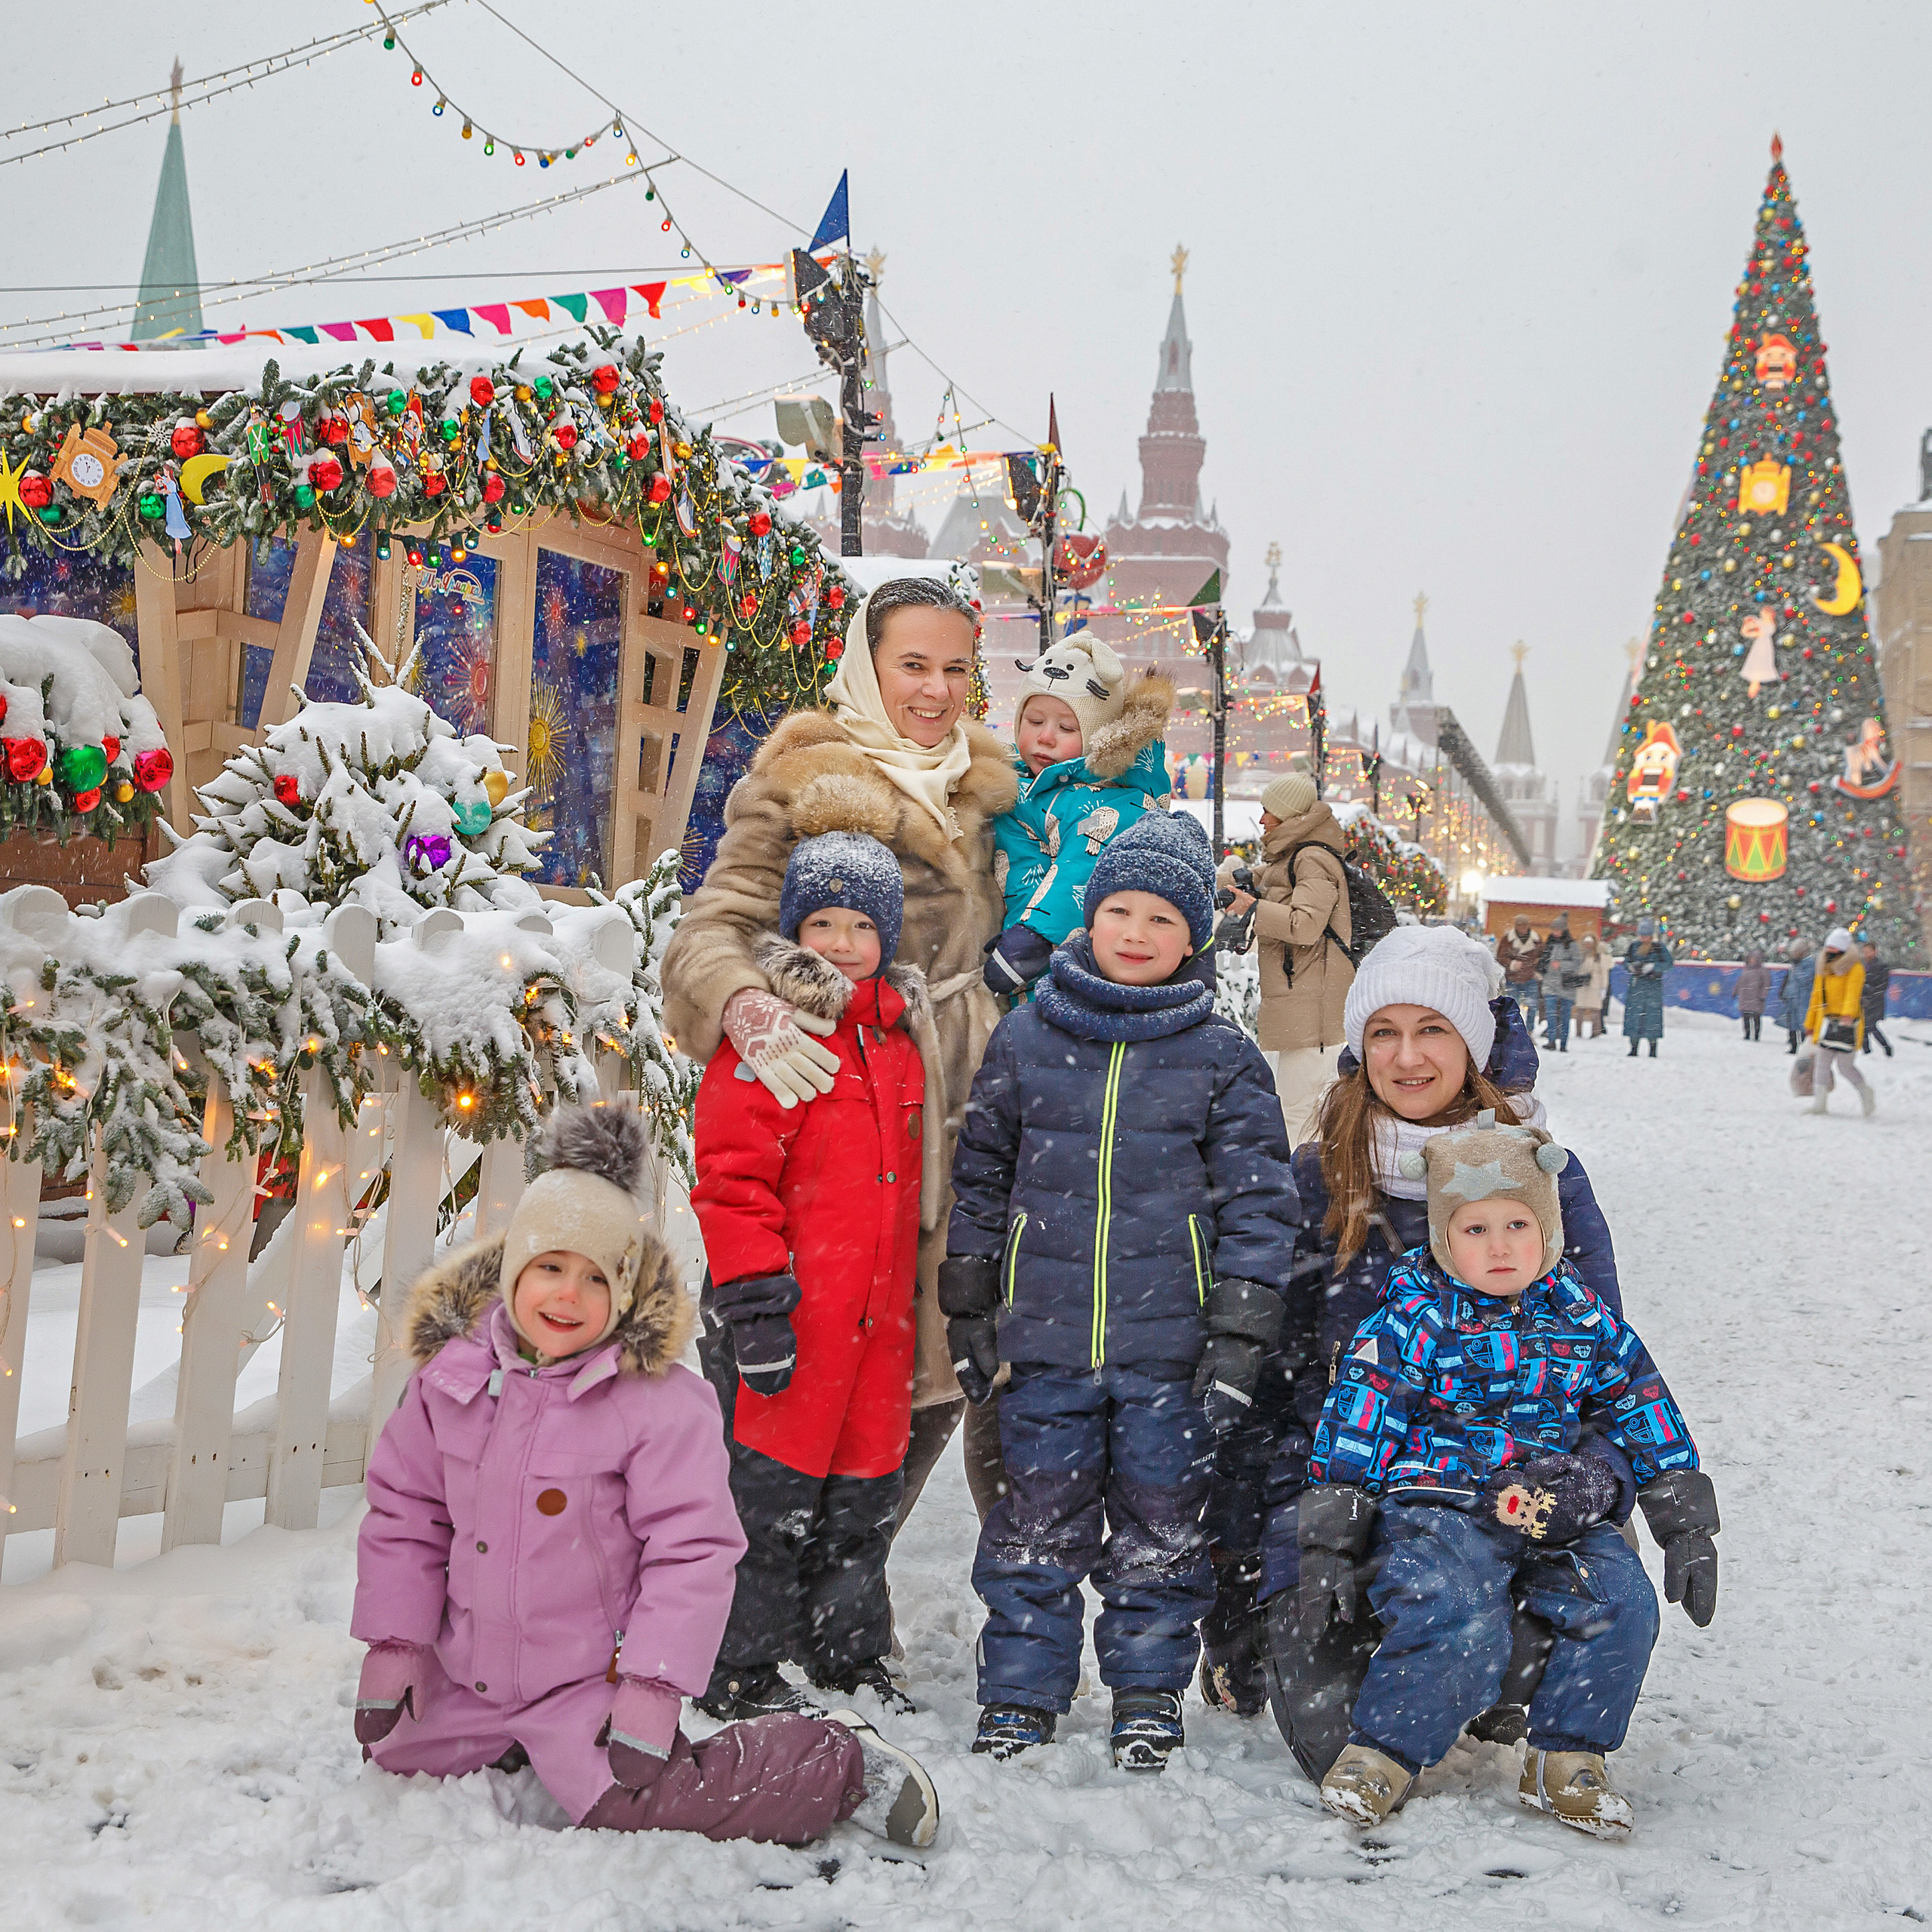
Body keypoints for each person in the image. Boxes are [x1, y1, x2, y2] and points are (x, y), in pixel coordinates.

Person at [351, 1102, 940, 1849]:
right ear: (511, 1272)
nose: (567, 1295)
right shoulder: (452, 1381)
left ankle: (832, 1760)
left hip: (586, 1682)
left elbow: (691, 1551)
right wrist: (397, 1645)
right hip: (468, 1672)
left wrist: (653, 1687)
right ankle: (501, 1738)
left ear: (625, 1290)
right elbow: (408, 1516)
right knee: (393, 1755)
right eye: (549, 1269)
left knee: (633, 1800)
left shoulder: (658, 1403)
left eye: (595, 1278)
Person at [661, 578, 1018, 1537]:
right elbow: (714, 923)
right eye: (912, 665)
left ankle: (852, 1589)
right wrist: (743, 1003)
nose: (935, 691)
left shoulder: (993, 792)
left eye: (954, 668)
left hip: (965, 1106)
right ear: (867, 665)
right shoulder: (803, 780)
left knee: (939, 1363)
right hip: (837, 1110)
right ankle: (757, 1599)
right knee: (801, 1359)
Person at [943, 813, 1297, 1770]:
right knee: (1033, 1523)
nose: (1135, 933)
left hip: (1168, 1350)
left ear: (1194, 938)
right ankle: (1021, 1689)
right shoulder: (1026, 1036)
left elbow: (1261, 1205)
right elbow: (982, 1173)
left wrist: (1239, 1335)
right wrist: (971, 1297)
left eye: (1160, 919)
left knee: (1161, 1525)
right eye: (1118, 910)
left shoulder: (1221, 1057)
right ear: (1089, 918)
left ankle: (1147, 1692)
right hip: (1046, 1339)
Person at [1244, 925, 1638, 1776]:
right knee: (1332, 1741)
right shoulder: (1323, 1174)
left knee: (1536, 1631)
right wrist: (1264, 1562)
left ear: (1475, 1045)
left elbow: (1606, 1371)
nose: (1407, 1056)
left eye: (1433, 1030)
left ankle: (1507, 1659)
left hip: (1501, 1497)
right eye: (1383, 1031)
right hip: (1346, 1495)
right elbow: (1270, 1380)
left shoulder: (1543, 1179)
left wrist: (1594, 1482)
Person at [1306, 1115, 1716, 1837]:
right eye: (1475, 1229)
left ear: (1549, 1231)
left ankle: (1568, 1758)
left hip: (1551, 1505)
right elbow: (1362, 1410)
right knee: (1457, 1614)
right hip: (1442, 1504)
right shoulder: (1413, 1318)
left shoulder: (1582, 1317)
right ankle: (1383, 1753)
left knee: (1622, 1604)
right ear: (1442, 1237)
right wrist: (1334, 1523)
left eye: (1518, 1225)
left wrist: (1682, 1518)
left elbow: (1640, 1402)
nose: (1500, 1247)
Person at [691, 832, 940, 1720]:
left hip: (876, 1332)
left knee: (859, 1510)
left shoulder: (901, 1041)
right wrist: (754, 1303)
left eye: (861, 924)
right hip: (793, 1322)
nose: (840, 941)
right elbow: (731, 1178)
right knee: (764, 1508)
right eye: (822, 921)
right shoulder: (772, 1033)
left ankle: (844, 1652)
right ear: (794, 929)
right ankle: (738, 1665)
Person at [983, 635, 1174, 997]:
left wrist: (1033, 940)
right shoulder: (1018, 779)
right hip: (1017, 965)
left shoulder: (1110, 798)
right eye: (1034, 720)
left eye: (1067, 728)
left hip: (1066, 967)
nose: (1046, 737)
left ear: (1098, 737)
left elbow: (1083, 867)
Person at [1217, 768, 1355, 1148]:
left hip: (1315, 1009)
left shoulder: (1312, 858)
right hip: (1301, 1001)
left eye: (1268, 811)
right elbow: (1266, 878)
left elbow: (1307, 925)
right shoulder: (1291, 857)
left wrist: (1254, 909)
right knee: (1297, 1108)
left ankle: (1299, 1191)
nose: (1262, 819)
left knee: (1300, 1112)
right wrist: (1232, 880)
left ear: (1291, 815)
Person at [1804, 926, 1875, 1117]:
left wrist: (1848, 1014)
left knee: (1845, 1066)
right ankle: (1819, 1104)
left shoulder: (1855, 968)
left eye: (1834, 948)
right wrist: (1810, 1023)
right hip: (1826, 1023)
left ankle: (1866, 1093)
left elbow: (1853, 993)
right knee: (1821, 1064)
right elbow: (1816, 998)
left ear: (1843, 950)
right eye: (1828, 947)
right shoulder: (1823, 968)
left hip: (1848, 1024)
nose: (1829, 951)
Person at [1621, 918, 1671, 1057]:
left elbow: (1669, 963)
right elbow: (1626, 961)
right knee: (1634, 1017)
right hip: (1636, 988)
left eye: (1645, 935)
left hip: (1652, 988)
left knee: (1652, 1019)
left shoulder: (1659, 948)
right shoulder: (1633, 947)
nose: (1642, 938)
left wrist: (1653, 967)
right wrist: (1631, 967)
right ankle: (1634, 1047)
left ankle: (1653, 1047)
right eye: (1641, 935)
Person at [1537, 912, 1581, 1052]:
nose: (1556, 933)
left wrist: (1561, 965)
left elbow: (1577, 963)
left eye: (1558, 930)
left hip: (1566, 985)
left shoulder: (1572, 945)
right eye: (1554, 930)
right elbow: (1543, 961)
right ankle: (1551, 1040)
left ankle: (1563, 1043)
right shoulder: (1548, 943)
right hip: (1550, 984)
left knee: (1565, 1016)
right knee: (1550, 1014)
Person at [1497, 914, 1542, 1028]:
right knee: (1513, 1007)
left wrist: (1536, 969)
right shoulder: (1507, 939)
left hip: (1530, 977)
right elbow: (1500, 957)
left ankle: (1529, 1030)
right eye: (1520, 925)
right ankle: (1513, 1029)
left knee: (1532, 1006)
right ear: (1516, 926)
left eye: (1525, 925)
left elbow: (1543, 957)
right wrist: (1511, 964)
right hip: (1513, 978)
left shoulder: (1536, 940)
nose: (1523, 928)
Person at [1778, 936, 1816, 1054]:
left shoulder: (1810, 964)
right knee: (1792, 1024)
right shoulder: (1795, 966)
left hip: (1804, 999)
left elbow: (1805, 980)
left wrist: (1797, 968)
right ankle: (1793, 1046)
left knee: (1804, 1024)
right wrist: (1785, 994)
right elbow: (1790, 981)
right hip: (1793, 999)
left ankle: (1805, 1048)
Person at [1571, 931, 1611, 1040]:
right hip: (1582, 985)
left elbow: (1604, 973)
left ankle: (1596, 1032)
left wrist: (1604, 988)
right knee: (1580, 1010)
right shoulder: (1580, 956)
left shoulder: (1599, 957)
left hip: (1595, 985)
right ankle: (1578, 1032)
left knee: (1595, 1011)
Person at [1860, 939, 1894, 1058]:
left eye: (1868, 951)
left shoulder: (1881, 966)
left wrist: (1869, 991)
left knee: (1870, 1026)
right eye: (1864, 952)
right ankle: (1867, 1050)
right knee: (1864, 1026)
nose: (1866, 954)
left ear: (1875, 951)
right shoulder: (1862, 966)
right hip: (1864, 1001)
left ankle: (1884, 1047)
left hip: (1875, 1002)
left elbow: (1883, 985)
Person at [1734, 949, 1770, 1042]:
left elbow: (1766, 984)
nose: (1752, 960)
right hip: (1745, 997)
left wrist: (1763, 995)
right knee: (1745, 1017)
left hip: (1756, 998)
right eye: (1751, 958)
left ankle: (1757, 1035)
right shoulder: (1746, 969)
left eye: (1754, 959)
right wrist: (1735, 991)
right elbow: (1740, 981)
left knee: (1756, 1017)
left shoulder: (1763, 971)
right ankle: (1747, 1034)